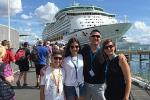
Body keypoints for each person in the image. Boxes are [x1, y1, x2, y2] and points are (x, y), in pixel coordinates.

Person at [81, 30, 106, 100]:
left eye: (98, 36)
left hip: (99, 86)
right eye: (93, 36)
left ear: (100, 39)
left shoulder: (104, 52)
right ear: (89, 38)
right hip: (86, 84)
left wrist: (121, 56)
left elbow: (113, 57)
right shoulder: (84, 50)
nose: (95, 38)